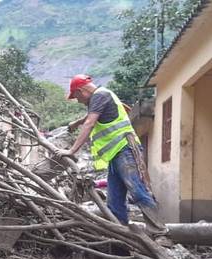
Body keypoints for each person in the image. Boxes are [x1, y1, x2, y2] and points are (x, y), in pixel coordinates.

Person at [58, 74, 166, 233]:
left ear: (81, 91)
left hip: (125, 149)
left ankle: (160, 232)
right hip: (115, 155)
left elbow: (90, 123)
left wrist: (72, 150)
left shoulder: (100, 95)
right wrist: (76, 122)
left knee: (138, 191)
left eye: (76, 97)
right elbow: (90, 116)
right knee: (114, 201)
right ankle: (121, 236)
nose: (78, 101)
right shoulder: (99, 98)